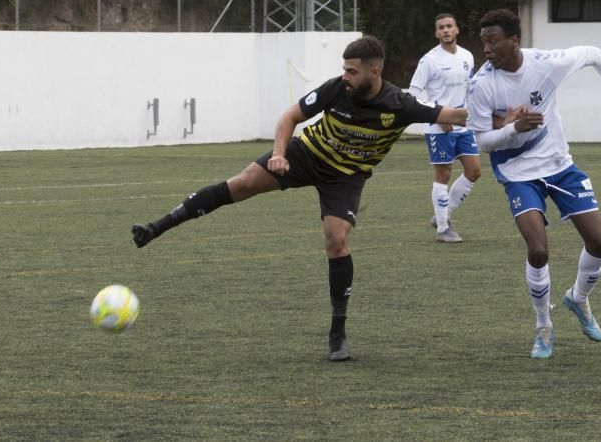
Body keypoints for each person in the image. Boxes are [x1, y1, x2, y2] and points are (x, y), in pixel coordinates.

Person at [131, 36, 467, 362]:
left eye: (352, 71)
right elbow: (289, 117)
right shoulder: (336, 88)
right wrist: (279, 154)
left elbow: (452, 115)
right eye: (344, 70)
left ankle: (337, 335)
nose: (345, 77)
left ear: (374, 72)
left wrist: (501, 116)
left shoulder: (400, 104)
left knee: (336, 241)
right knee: (242, 183)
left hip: (345, 177)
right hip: (305, 155)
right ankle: (156, 227)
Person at [467, 9, 601, 359]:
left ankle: (578, 299)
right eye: (483, 41)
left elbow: (595, 54)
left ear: (514, 40)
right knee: (538, 249)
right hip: (517, 174)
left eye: (493, 41)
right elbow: (482, 142)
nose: (486, 49)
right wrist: (514, 128)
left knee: (599, 241)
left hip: (559, 165)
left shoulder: (546, 63)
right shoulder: (482, 84)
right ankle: (544, 326)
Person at [408, 13, 480, 243]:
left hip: (464, 125)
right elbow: (412, 96)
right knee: (443, 174)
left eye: (450, 26)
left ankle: (444, 212)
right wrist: (438, 115)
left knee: (474, 170)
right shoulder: (429, 60)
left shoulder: (468, 56)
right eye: (441, 27)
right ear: (436, 33)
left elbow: (472, 88)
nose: (446, 30)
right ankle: (442, 229)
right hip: (439, 127)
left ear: (457, 29)